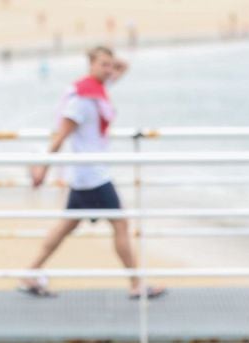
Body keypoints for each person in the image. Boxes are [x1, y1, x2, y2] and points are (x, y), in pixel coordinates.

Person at [21, 46, 164, 300]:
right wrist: (42, 168)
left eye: (110, 65)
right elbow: (60, 137)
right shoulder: (83, 100)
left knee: (65, 226)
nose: (109, 69)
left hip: (85, 176)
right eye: (103, 64)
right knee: (120, 224)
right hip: (92, 177)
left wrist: (107, 61)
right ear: (90, 65)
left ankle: (31, 271)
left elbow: (124, 67)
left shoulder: (95, 91)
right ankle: (135, 284)